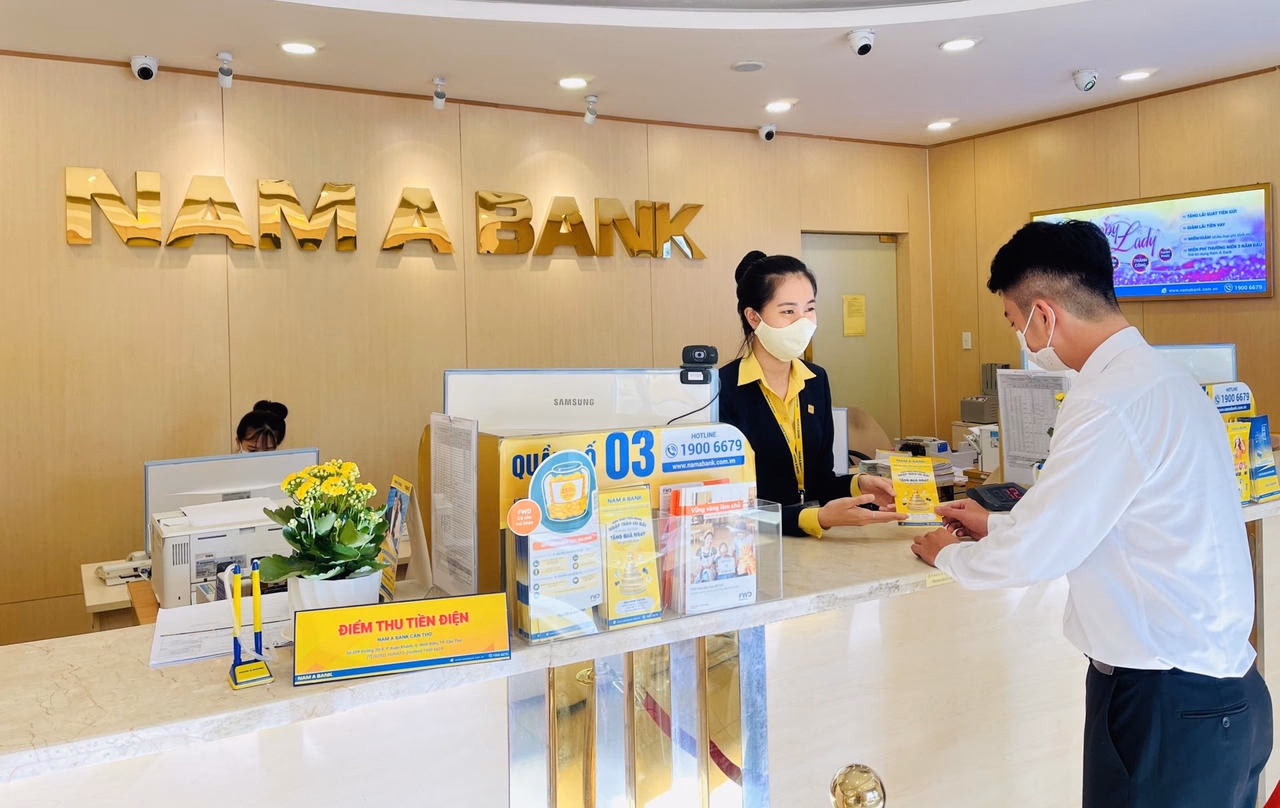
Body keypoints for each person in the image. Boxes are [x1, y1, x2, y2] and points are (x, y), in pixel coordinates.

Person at [910, 220, 1271, 807]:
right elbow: (1106, 519)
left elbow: (1038, 552)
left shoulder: (1108, 399)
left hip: (1165, 709)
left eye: (1014, 322)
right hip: (1222, 700)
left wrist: (949, 555)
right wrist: (995, 523)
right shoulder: (1168, 381)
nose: (1023, 340)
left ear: (1043, 315)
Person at [718, 251, 905, 537]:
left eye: (809, 309)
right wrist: (814, 518)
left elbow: (820, 483)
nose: (803, 322)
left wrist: (859, 485)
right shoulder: (722, 388)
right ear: (754, 317)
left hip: (812, 547)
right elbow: (727, 507)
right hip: (754, 547)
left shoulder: (816, 380)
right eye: (788, 312)